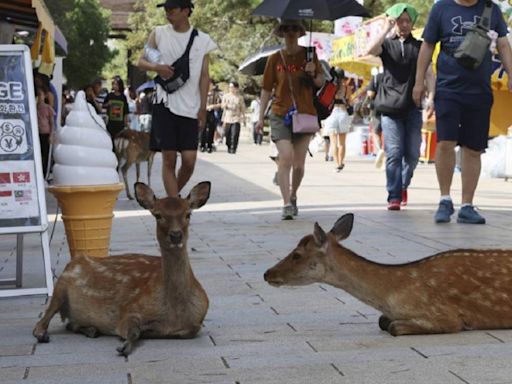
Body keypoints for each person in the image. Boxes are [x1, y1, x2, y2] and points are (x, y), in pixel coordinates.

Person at [414, 0, 512, 224]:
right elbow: (427, 46)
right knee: (445, 143)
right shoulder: (442, 8)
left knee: (473, 148)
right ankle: (445, 199)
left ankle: (467, 205)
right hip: (448, 88)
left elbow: (504, 45)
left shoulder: (491, 9)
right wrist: (419, 82)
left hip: (479, 91)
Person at [137, 0, 217, 197]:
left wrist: (203, 107)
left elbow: (204, 75)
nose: (167, 13)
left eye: (171, 9)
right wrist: (158, 67)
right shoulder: (159, 34)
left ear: (186, 11)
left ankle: (171, 199)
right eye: (165, 10)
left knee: (189, 160)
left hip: (191, 107)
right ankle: (174, 202)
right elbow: (142, 61)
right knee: (169, 159)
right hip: (165, 103)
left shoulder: (202, 40)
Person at [367, 3, 434, 211]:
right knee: (394, 152)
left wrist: (431, 97)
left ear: (412, 23)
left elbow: (430, 73)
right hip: (389, 107)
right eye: (400, 20)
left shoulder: (420, 46)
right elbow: (370, 49)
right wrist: (386, 28)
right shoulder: (387, 45)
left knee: (412, 154)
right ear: (395, 22)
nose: (404, 24)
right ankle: (394, 195)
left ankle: (403, 185)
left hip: (413, 107)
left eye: (408, 21)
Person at [255, 19, 324, 220]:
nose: (291, 32)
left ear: (300, 32)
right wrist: (260, 118)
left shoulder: (309, 55)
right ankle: (285, 203)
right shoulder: (275, 59)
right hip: (280, 113)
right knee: (286, 157)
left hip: (305, 114)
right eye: (287, 29)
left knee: (299, 165)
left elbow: (320, 82)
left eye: (295, 28)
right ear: (282, 32)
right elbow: (266, 89)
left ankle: (293, 195)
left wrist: (312, 73)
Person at [323, 70, 352, 172]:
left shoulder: (330, 87)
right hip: (343, 113)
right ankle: (341, 162)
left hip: (332, 114)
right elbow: (350, 102)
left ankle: (336, 164)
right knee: (342, 143)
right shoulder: (347, 88)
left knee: (333, 142)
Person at [366, 67, 385, 168]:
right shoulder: (391, 76)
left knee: (376, 132)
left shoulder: (376, 78)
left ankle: (380, 150)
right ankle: (386, 153)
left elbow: (370, 93)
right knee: (388, 131)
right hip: (391, 106)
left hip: (377, 108)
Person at [104, 76, 129, 146]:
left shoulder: (123, 97)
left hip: (120, 123)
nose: (114, 86)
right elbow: (103, 106)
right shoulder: (109, 95)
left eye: (116, 84)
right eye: (113, 84)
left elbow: (126, 111)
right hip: (111, 122)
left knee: (119, 140)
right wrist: (108, 104)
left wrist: (126, 122)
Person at [221, 81, 246, 154]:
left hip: (236, 118)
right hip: (227, 117)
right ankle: (228, 145)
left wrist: (243, 119)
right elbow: (222, 105)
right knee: (227, 134)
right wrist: (224, 105)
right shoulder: (226, 96)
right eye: (230, 87)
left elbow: (243, 108)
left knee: (235, 134)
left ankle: (233, 148)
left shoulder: (240, 97)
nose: (231, 89)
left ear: (236, 88)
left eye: (232, 87)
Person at [36, 87, 55, 178]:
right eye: (37, 95)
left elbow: (52, 122)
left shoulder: (48, 108)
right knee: (38, 154)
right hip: (36, 134)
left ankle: (45, 175)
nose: (39, 97)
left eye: (40, 95)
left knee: (46, 154)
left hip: (45, 133)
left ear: (44, 96)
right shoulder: (34, 108)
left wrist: (51, 135)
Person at [200, 80, 221, 153]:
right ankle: (202, 145)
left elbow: (220, 104)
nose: (209, 86)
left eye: (210, 85)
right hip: (203, 111)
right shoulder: (201, 92)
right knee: (203, 129)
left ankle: (209, 145)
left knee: (211, 129)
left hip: (212, 112)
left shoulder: (216, 94)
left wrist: (213, 106)